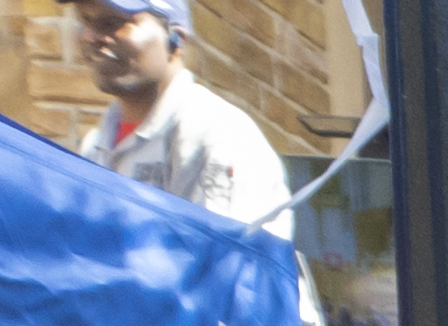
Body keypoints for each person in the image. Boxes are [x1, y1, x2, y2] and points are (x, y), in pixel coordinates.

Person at [74, 1, 288, 226]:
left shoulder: (219, 135)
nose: (91, 36)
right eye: (85, 21)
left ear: (175, 38)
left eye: (113, 22)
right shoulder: (94, 147)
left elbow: (228, 254)